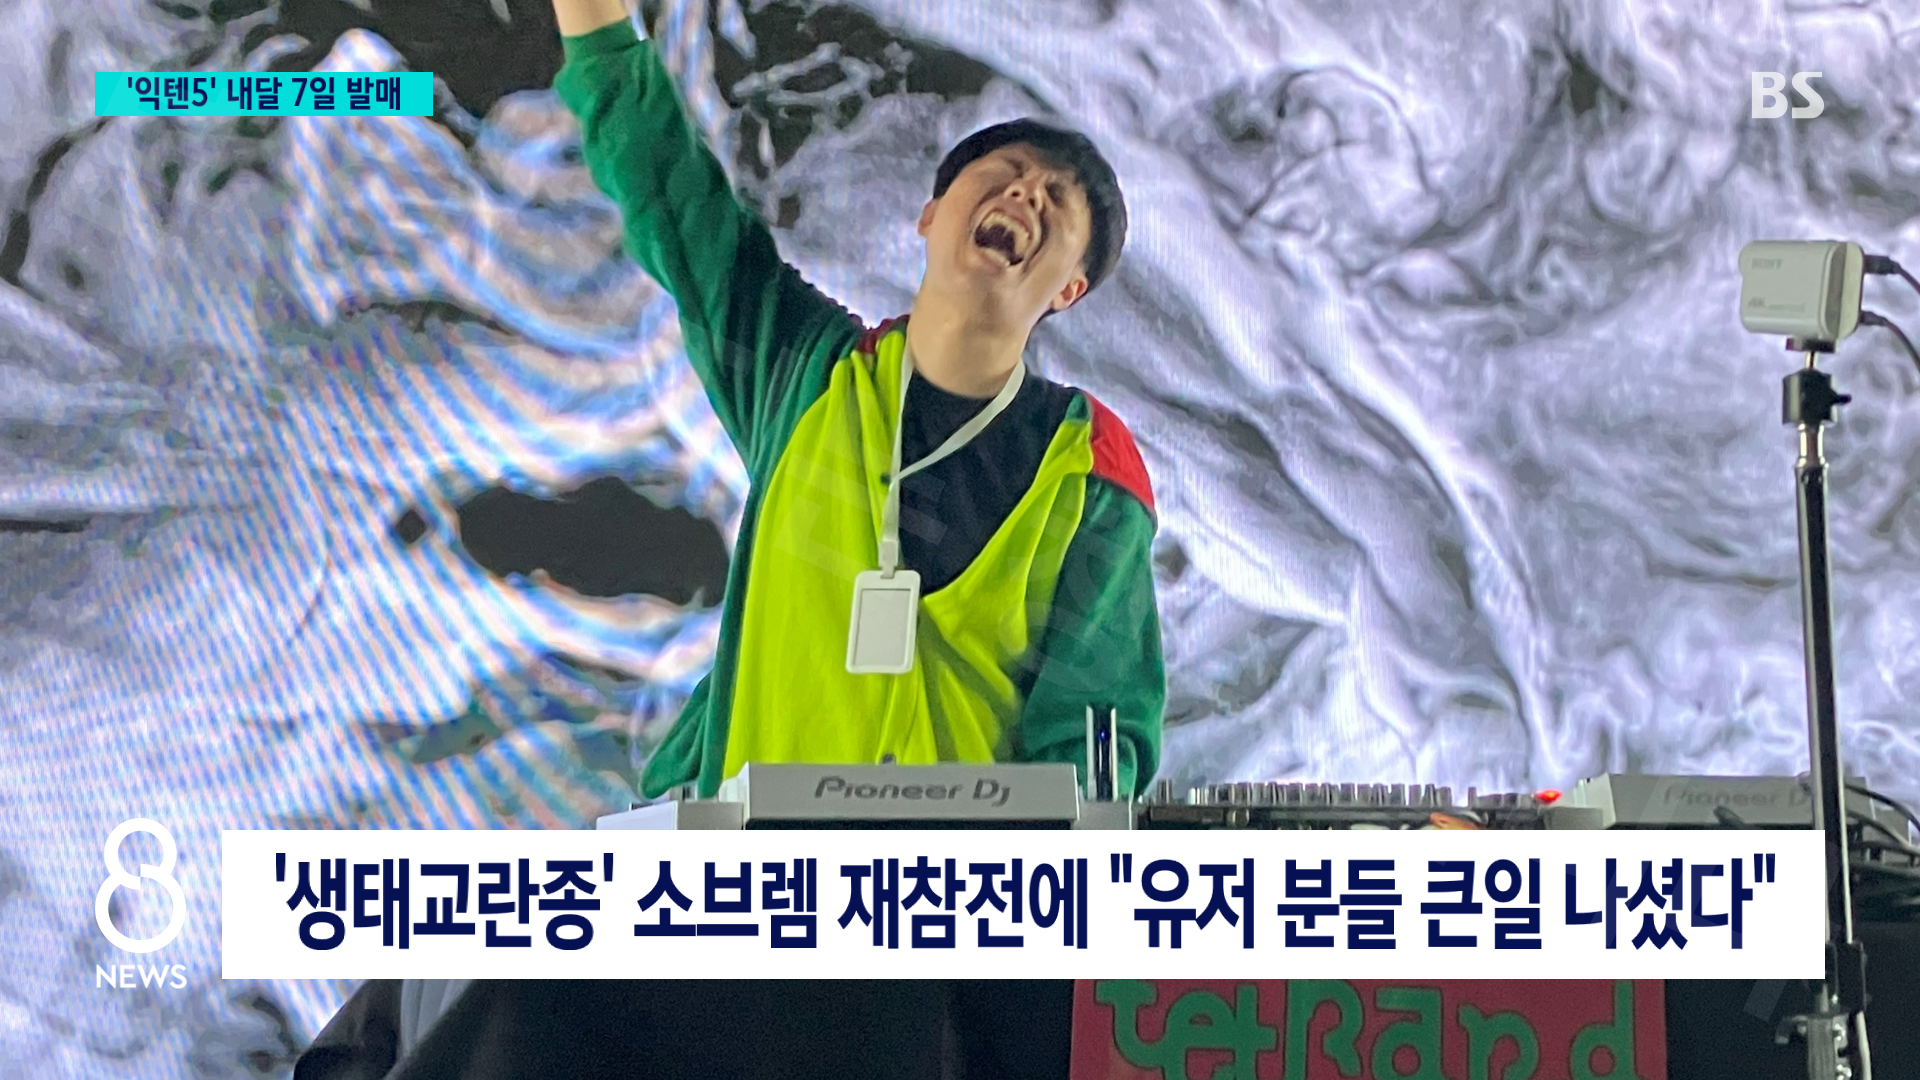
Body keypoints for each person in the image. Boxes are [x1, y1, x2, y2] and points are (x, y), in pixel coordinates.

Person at [550, 0, 1163, 799]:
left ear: (1069, 290)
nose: (1028, 192)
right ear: (930, 216)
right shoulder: (801, 371)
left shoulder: (1087, 469)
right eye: (1008, 171)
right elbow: (662, 177)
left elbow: (1098, 730)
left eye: (1060, 198)